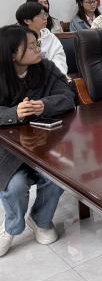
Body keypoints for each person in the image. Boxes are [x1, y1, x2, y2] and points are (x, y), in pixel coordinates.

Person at [0, 25, 75, 257]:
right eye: (31, 46)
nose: (38, 49)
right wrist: (14, 113)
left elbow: (68, 96)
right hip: (9, 149)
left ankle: (40, 219)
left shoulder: (46, 67)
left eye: (37, 44)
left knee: (58, 177)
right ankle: (11, 226)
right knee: (15, 186)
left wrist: (44, 105)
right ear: (12, 54)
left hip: (46, 144)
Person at [15, 3, 68, 75]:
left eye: (45, 14)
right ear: (27, 21)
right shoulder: (18, 40)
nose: (45, 18)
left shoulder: (50, 37)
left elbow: (60, 61)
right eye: (41, 15)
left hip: (53, 77)